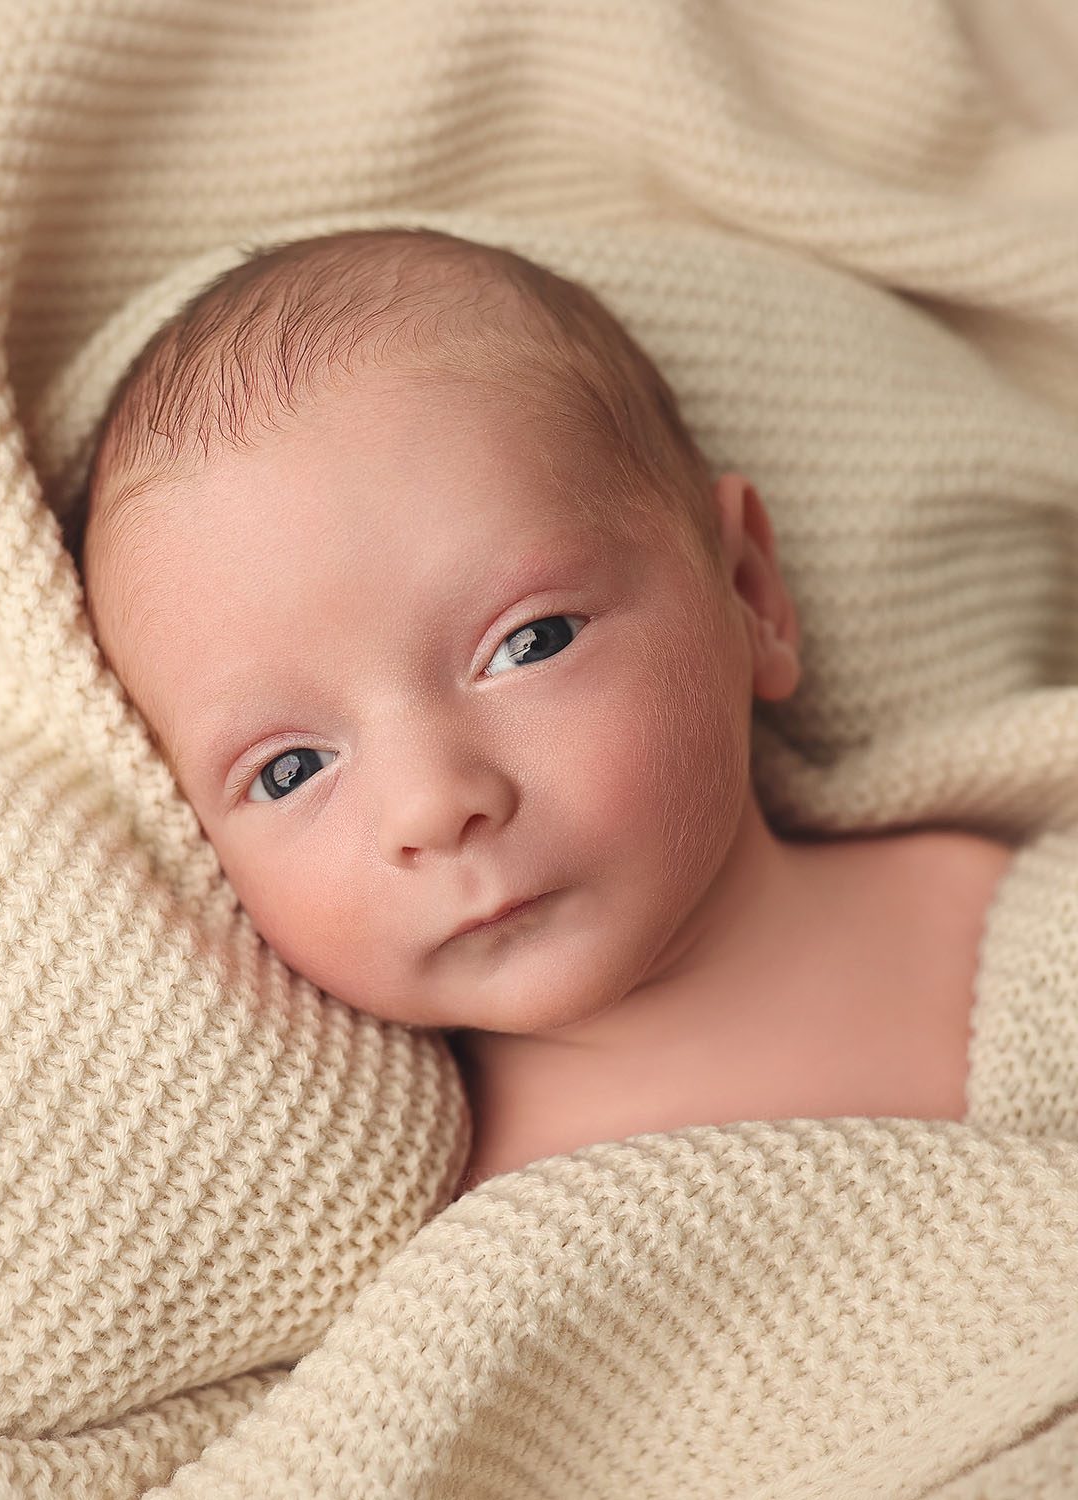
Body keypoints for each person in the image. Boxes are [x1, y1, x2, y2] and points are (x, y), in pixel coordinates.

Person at [74, 225, 1014, 1197]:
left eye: (529, 644)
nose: (433, 806)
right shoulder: (443, 1232)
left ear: (748, 594)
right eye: (290, 770)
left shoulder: (1003, 911)